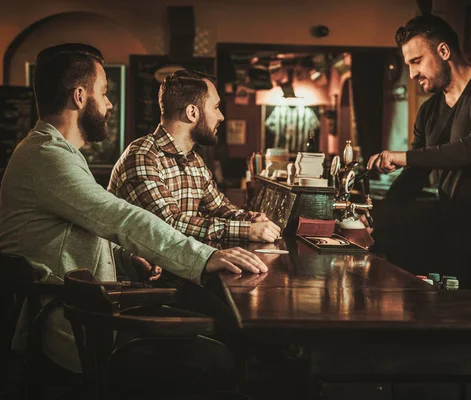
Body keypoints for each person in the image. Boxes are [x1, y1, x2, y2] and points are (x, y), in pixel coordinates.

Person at [0, 43, 267, 376]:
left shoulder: (55, 153)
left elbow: (85, 232)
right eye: (105, 92)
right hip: (75, 332)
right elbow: (121, 218)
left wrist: (127, 260)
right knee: (221, 355)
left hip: (88, 314)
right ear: (80, 97)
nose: (110, 103)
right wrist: (204, 257)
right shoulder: (47, 158)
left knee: (222, 334)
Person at [367, 14, 471, 290]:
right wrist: (374, 221)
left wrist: (403, 156)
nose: (412, 74)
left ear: (443, 51)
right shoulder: (429, 111)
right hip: (453, 229)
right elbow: (414, 175)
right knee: (453, 317)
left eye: (416, 61)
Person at [108, 69, 281, 243]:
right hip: (141, 269)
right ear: (192, 113)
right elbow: (168, 224)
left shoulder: (194, 161)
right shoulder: (143, 156)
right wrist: (246, 230)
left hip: (179, 266)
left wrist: (249, 220)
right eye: (215, 107)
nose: (221, 116)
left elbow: (218, 208)